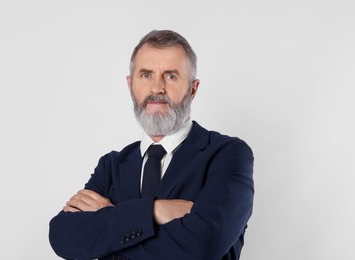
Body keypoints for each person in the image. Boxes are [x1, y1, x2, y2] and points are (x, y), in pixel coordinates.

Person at [49, 30, 254, 260]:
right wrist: (156, 210)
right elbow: (63, 237)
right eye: (146, 75)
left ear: (193, 89)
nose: (157, 88)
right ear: (130, 86)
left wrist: (112, 222)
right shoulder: (112, 165)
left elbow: (205, 244)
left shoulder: (228, 154)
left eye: (171, 76)